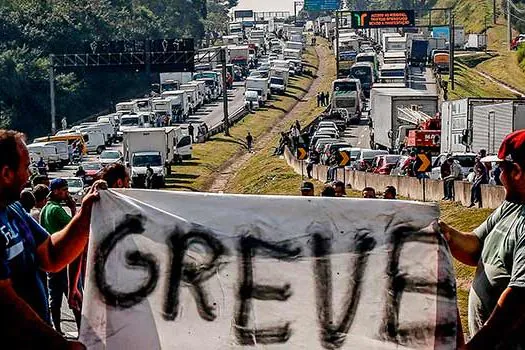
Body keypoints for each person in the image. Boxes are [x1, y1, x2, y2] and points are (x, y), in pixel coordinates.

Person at [0, 129, 101, 348]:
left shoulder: (14, 210)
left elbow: (52, 256)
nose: (29, 176)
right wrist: (59, 344)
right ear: (6, 173)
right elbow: (5, 303)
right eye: (26, 167)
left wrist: (85, 215)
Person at [439, 130, 525, 349]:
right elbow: (475, 247)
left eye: (501, 168)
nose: (498, 175)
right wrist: (444, 233)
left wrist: (477, 346)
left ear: (517, 172)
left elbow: (520, 298)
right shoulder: (512, 206)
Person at [40, 178, 79, 333]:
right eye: (63, 189)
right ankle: (82, 331)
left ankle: (57, 329)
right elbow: (75, 228)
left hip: (51, 261)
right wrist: (73, 208)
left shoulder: (45, 209)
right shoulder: (56, 210)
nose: (66, 192)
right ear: (55, 191)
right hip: (63, 261)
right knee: (74, 296)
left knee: (54, 299)